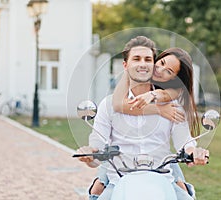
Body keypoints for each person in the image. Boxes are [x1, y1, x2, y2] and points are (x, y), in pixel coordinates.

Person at [77, 36, 209, 200]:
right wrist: (90, 153)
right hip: (119, 180)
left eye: (148, 59)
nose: (142, 64)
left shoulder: (172, 104)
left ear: (153, 64)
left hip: (162, 179)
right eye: (136, 59)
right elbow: (98, 143)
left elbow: (184, 140)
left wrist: (193, 151)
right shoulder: (109, 104)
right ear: (125, 65)